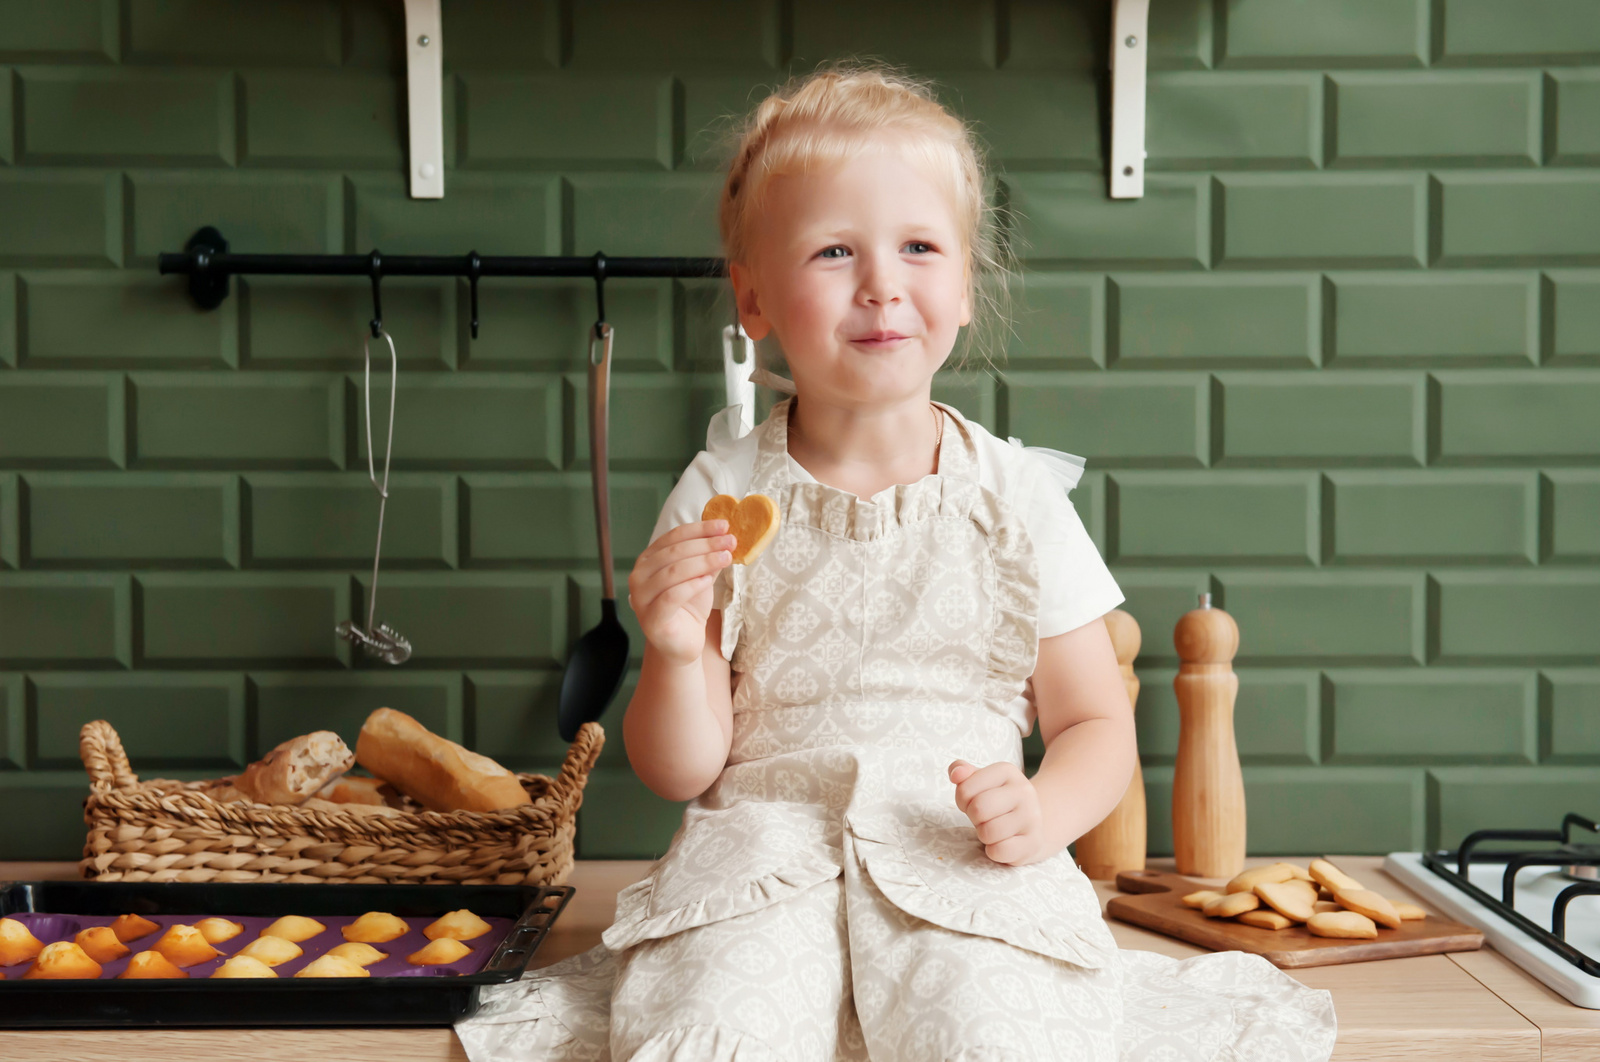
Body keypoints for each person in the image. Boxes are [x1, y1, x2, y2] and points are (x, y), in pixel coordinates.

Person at [456, 59, 1336, 1062]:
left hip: (962, 861)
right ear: (752, 297)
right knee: (711, 1032)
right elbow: (680, 767)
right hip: (761, 866)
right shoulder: (719, 490)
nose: (881, 284)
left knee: (989, 1037)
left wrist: (1042, 809)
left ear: (963, 285)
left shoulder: (1018, 499)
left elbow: (1095, 722)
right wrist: (672, 651)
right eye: (833, 250)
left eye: (918, 246)